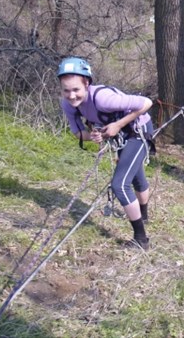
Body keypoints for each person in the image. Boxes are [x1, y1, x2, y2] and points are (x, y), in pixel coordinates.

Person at [57, 57, 152, 250]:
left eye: (76, 89)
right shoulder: (68, 105)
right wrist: (94, 136)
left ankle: (141, 239)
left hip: (139, 129)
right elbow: (78, 133)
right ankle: (143, 215)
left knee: (120, 184)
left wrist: (117, 125)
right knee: (135, 177)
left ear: (87, 83)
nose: (71, 95)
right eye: (66, 90)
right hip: (121, 134)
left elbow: (146, 103)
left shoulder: (103, 98)